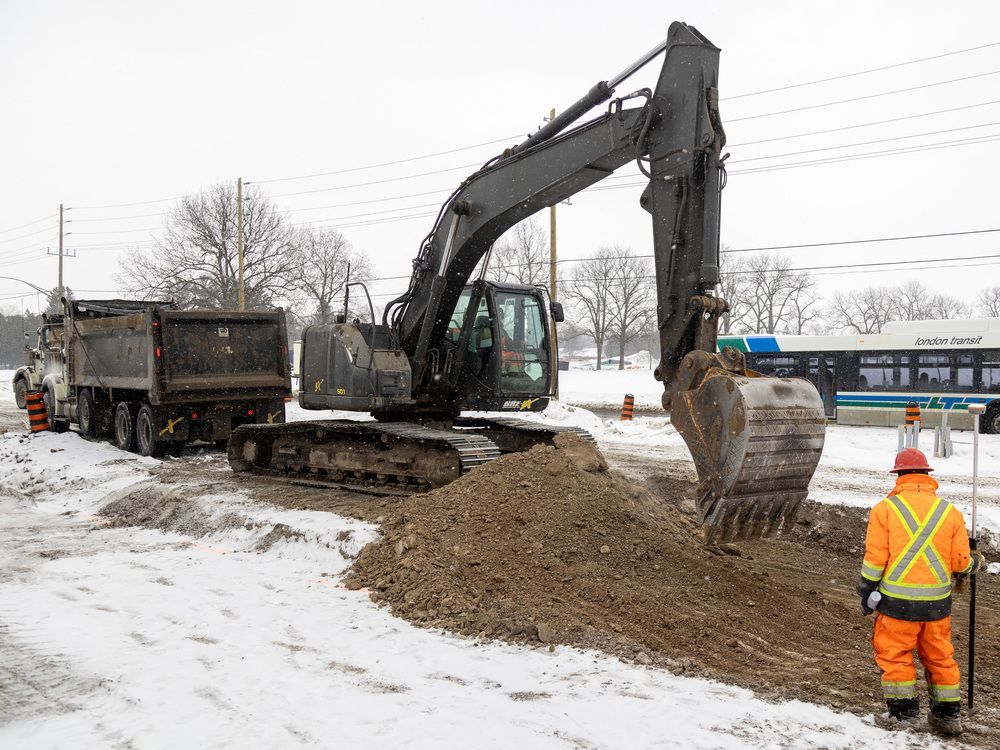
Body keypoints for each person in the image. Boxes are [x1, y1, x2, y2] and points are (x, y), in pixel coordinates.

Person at [858, 448, 985, 735]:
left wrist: (865, 590)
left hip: (897, 606)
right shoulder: (949, 512)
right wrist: (975, 562)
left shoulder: (884, 510)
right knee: (940, 657)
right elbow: (961, 563)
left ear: (899, 476)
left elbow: (875, 559)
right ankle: (947, 716)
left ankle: (904, 716)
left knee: (896, 657)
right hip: (937, 607)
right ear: (927, 476)